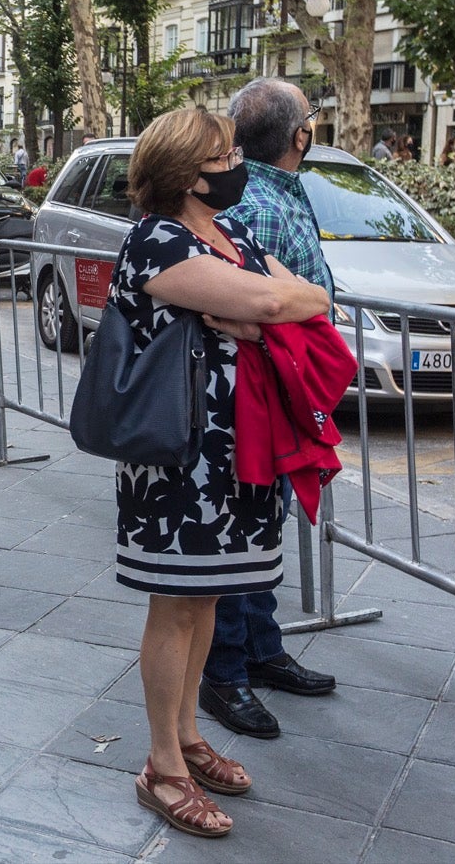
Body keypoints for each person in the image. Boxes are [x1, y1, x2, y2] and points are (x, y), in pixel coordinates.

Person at [109, 107, 330, 838]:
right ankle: (162, 764)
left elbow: (300, 299)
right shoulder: (157, 241)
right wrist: (274, 305)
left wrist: (279, 305)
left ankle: (188, 735)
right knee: (175, 604)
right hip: (178, 457)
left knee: (204, 602)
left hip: (234, 455)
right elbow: (273, 298)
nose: (235, 162)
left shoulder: (222, 235)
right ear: (181, 171)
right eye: (222, 154)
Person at [200, 78, 339, 741]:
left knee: (263, 525)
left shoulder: (267, 187)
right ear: (299, 137)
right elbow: (243, 298)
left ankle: (261, 647)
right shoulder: (246, 196)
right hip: (251, 397)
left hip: (278, 389)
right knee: (242, 530)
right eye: (310, 121)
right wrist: (293, 311)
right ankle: (224, 672)